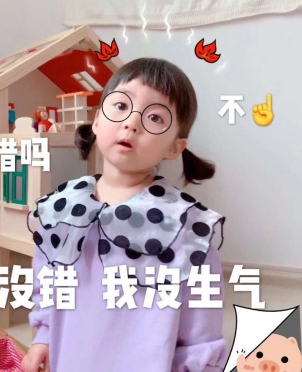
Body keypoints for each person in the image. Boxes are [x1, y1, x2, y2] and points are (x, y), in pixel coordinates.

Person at [22, 58, 227, 372]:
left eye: (155, 117)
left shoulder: (186, 231)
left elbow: (201, 336)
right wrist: (44, 337)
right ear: (97, 120)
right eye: (120, 106)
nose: (132, 122)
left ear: (175, 147)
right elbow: (48, 284)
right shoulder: (61, 209)